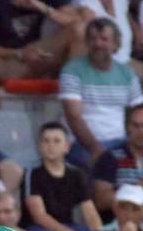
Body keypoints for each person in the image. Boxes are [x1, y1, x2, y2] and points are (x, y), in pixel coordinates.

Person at [21, 121, 102, 231]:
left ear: (67, 147)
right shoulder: (33, 173)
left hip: (68, 225)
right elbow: (39, 216)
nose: (50, 145)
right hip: (37, 227)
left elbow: (90, 213)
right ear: (39, 146)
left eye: (56, 141)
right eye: (46, 141)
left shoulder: (76, 174)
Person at [60, 18, 143, 172]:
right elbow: (73, 116)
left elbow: (138, 112)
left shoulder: (127, 74)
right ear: (86, 43)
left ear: (116, 45)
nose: (98, 44)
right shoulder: (72, 71)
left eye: (104, 39)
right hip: (83, 144)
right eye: (93, 39)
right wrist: (95, 149)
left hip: (121, 142)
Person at [91, 103, 143, 221]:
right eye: (136, 125)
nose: (141, 131)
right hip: (120, 227)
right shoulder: (110, 158)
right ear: (127, 127)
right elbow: (101, 200)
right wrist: (136, 190)